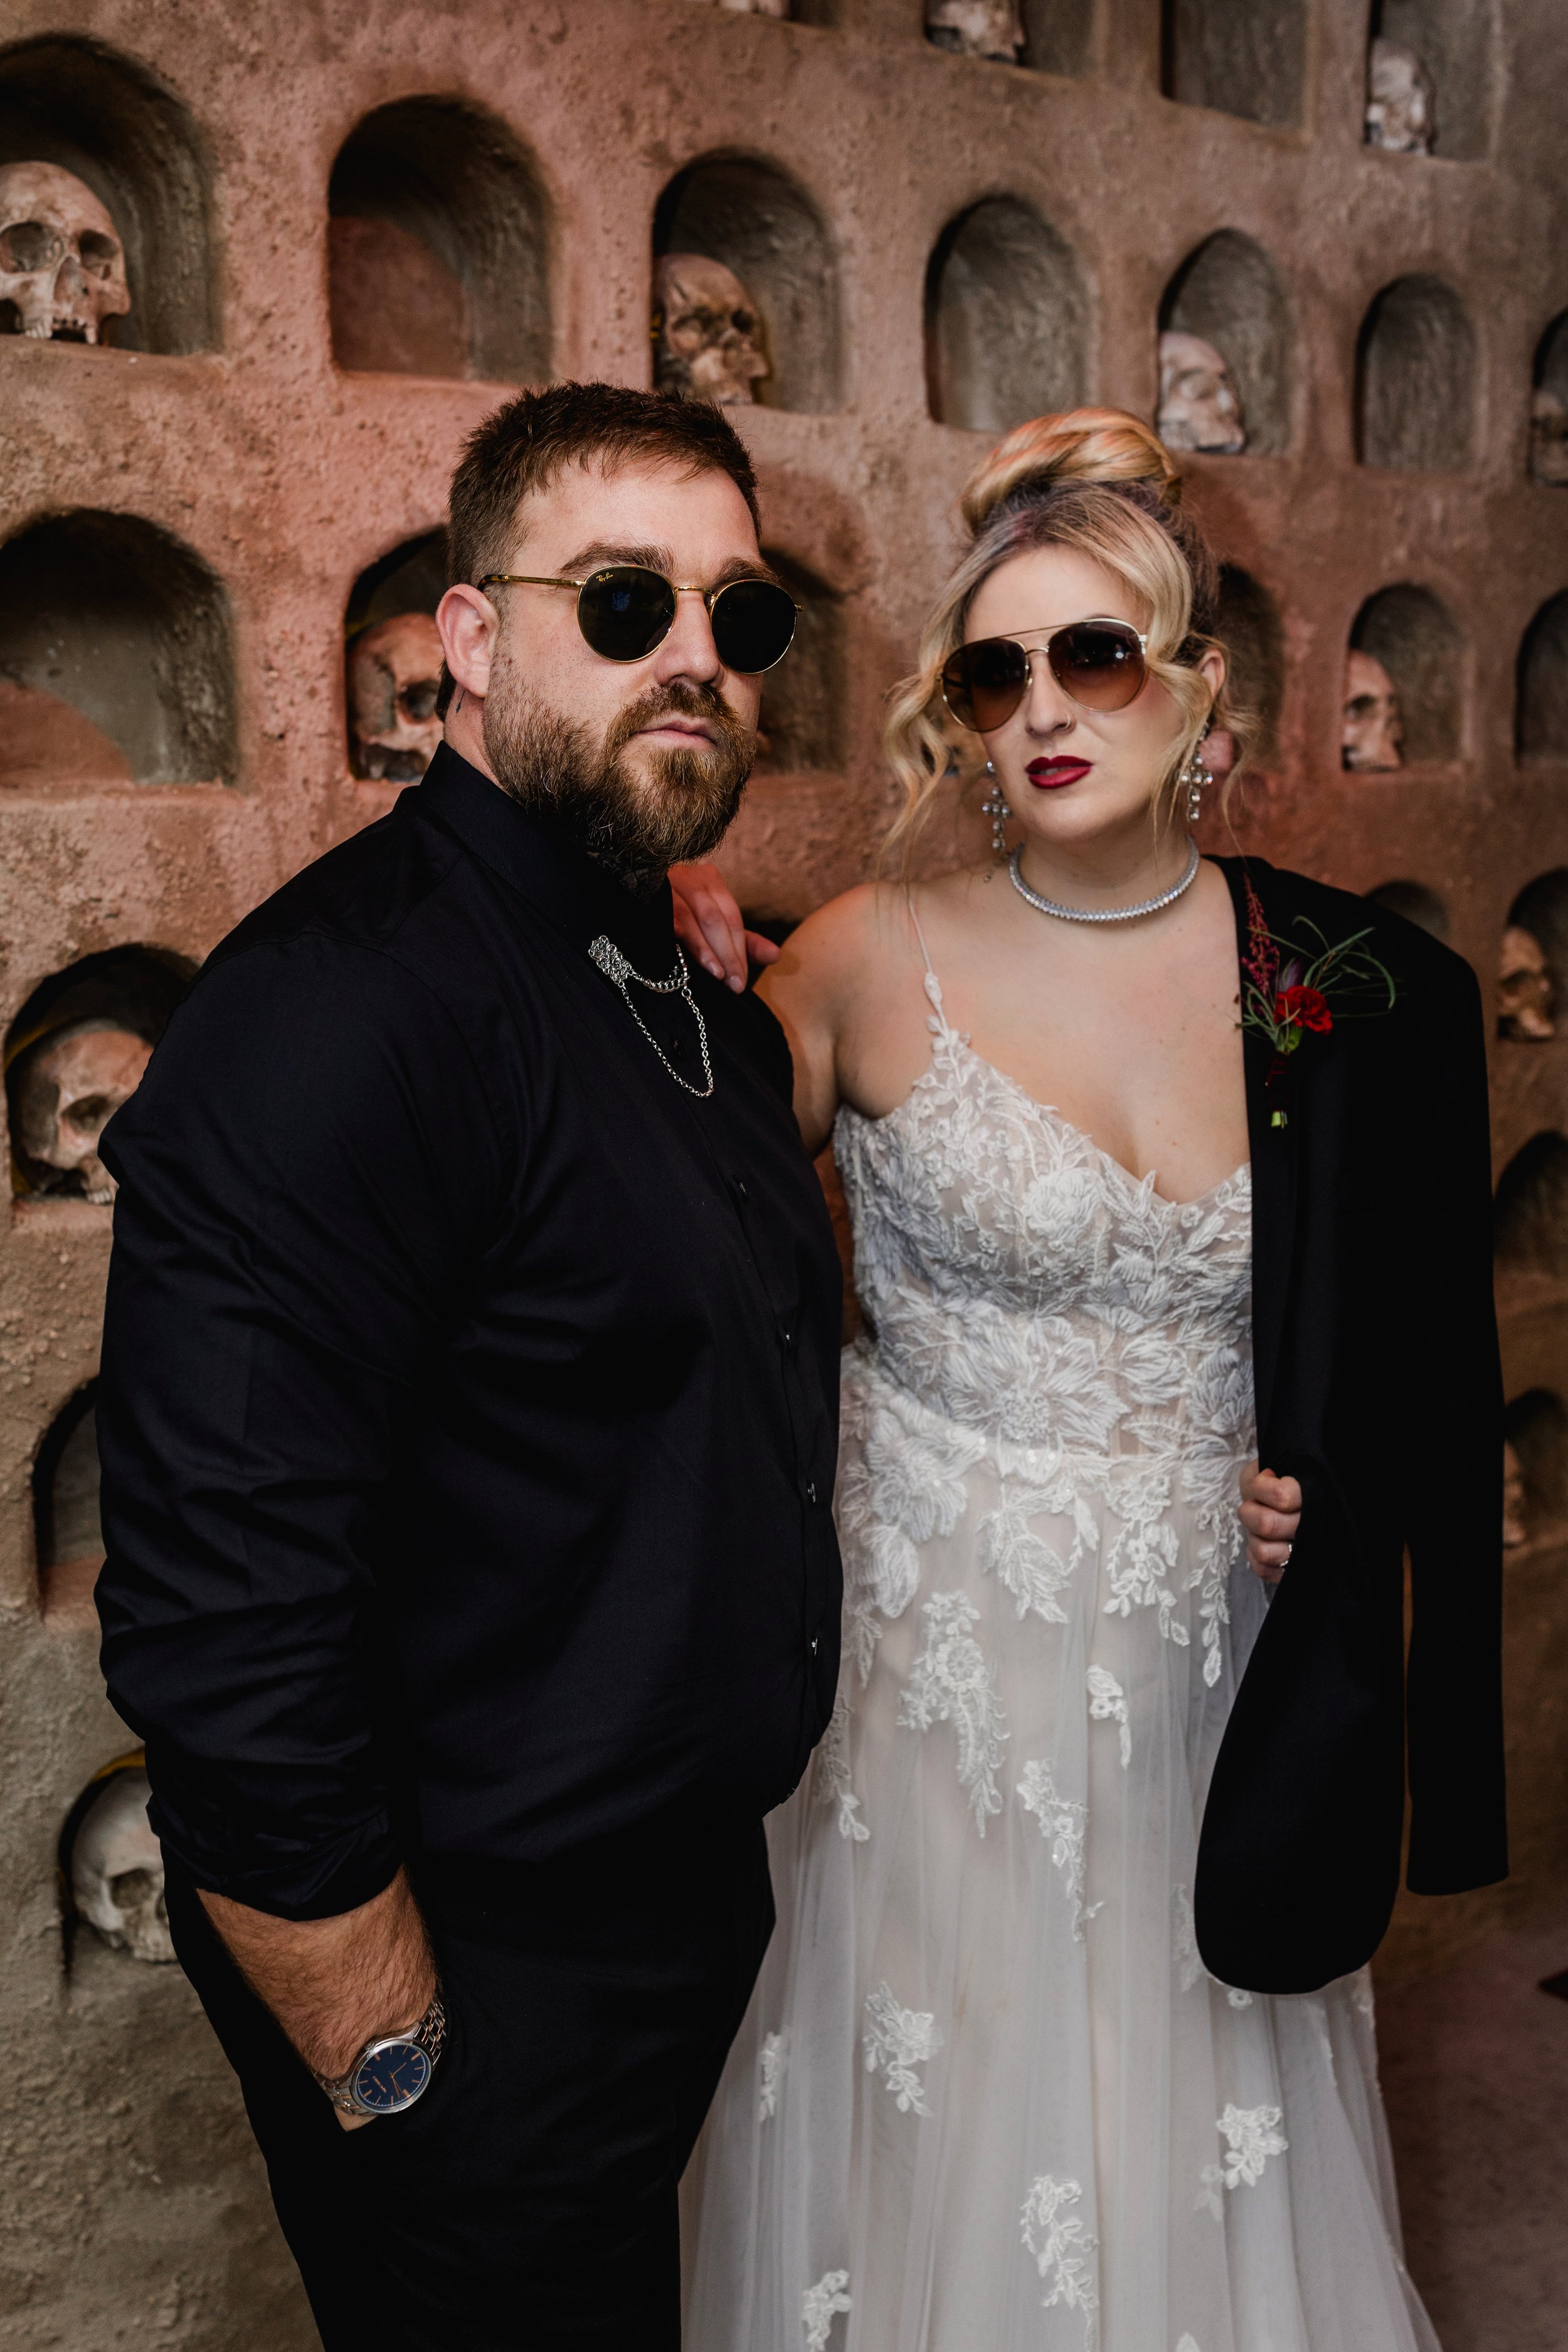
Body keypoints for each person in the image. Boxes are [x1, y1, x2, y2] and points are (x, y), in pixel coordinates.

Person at [672, 409, 1505, 2350]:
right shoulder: (871, 959)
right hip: (926, 1654)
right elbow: (670, 1216)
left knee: (1188, 2088)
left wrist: (1334, 1479)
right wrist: (663, 959)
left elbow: (1402, 1345)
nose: (1041, 704)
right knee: (941, 2109)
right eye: (995, 667)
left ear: (1201, 687)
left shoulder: (1332, 986)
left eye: (1096, 653)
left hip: (1213, 1650)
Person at [92, 382, 845, 2351]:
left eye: (734, 617)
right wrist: (394, 2058)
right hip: (469, 1983)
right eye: (622, 603)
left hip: (656, 1917)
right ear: (470, 639)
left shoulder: (667, 967)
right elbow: (225, 1621)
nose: (693, 656)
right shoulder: (336, 1017)